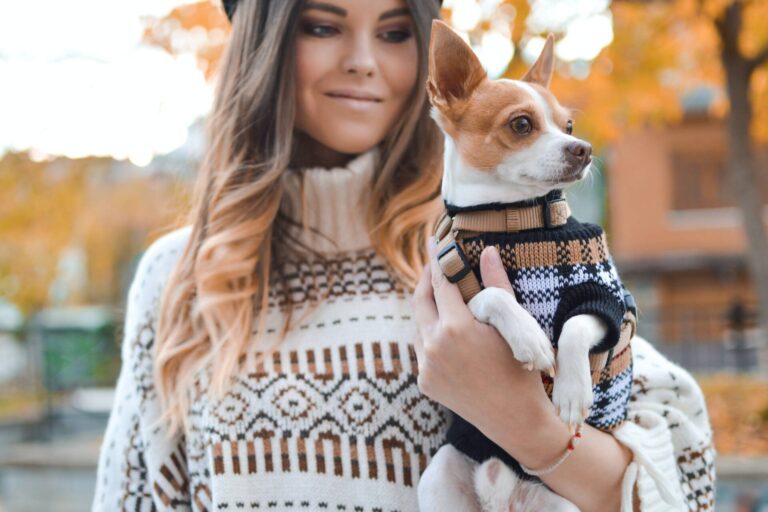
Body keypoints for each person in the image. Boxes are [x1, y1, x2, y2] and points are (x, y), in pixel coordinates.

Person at [92, 0, 716, 511]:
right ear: (265, 46)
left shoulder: (487, 246)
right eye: (321, 26)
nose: (363, 61)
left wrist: (530, 427)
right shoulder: (178, 276)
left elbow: (687, 472)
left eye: (394, 32)